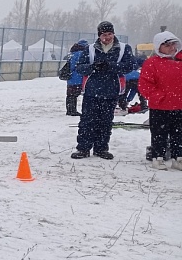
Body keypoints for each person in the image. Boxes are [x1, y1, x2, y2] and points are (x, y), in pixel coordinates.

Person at [72, 21, 135, 160]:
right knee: (87, 121)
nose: (107, 37)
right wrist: (93, 67)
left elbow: (130, 66)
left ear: (114, 34)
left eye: (110, 34)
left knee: (106, 121)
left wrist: (111, 66)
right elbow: (79, 67)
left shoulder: (124, 48)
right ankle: (83, 148)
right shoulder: (89, 49)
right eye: (104, 35)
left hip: (111, 90)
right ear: (99, 36)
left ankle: (101, 148)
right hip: (92, 91)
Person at [138, 31, 182, 170]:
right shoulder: (152, 63)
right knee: (159, 134)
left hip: (179, 105)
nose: (171, 47)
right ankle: (158, 157)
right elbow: (145, 84)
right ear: (158, 47)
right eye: (166, 45)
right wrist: (158, 97)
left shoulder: (180, 61)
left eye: (172, 44)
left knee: (178, 134)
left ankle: (178, 157)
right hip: (160, 106)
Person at [63, 40, 88, 116]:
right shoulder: (81, 54)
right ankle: (74, 111)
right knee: (76, 95)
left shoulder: (72, 54)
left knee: (70, 95)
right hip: (78, 78)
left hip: (70, 78)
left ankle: (70, 110)